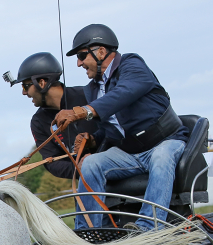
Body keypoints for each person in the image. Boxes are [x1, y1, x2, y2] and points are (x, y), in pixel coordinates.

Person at [53, 24, 188, 231]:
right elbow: (114, 128)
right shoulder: (93, 89)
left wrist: (82, 111)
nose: (79, 63)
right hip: (130, 153)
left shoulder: (132, 65)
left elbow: (122, 95)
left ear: (100, 51)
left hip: (164, 142)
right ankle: (87, 232)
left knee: (161, 157)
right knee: (90, 164)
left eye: (81, 56)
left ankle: (148, 228)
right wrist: (94, 139)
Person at [5, 52, 97, 179]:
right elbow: (52, 163)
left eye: (26, 86)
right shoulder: (38, 121)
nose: (24, 93)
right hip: (86, 182)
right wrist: (80, 167)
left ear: (42, 83)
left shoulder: (89, 96)